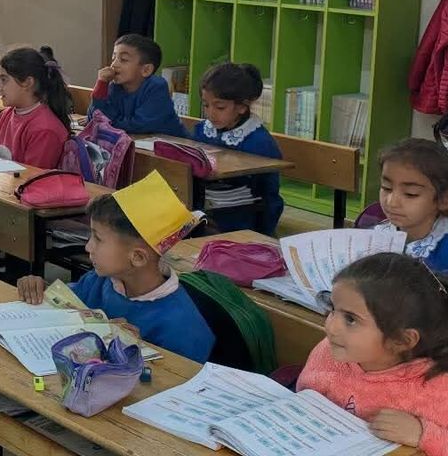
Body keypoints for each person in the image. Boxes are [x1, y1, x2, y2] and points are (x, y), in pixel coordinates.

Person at [16, 172, 214, 363]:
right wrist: (43, 290)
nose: (88, 247)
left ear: (137, 257)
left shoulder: (182, 327)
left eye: (98, 238)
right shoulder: (99, 281)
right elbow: (67, 308)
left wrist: (137, 354)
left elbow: (177, 380)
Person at [298, 253, 448, 454]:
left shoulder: (438, 388)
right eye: (333, 309)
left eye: (351, 319)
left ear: (401, 341)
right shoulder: (329, 350)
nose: (331, 327)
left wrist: (423, 434)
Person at [191, 62, 283, 234]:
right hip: (200, 214)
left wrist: (262, 235)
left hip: (239, 223)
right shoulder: (202, 130)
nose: (210, 113)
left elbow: (270, 196)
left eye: (220, 107)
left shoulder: (259, 142)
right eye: (206, 105)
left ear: (242, 106)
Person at [0, 45, 72, 167]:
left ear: (28, 82)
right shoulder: (5, 115)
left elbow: (33, 176)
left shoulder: (46, 130)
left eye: (4, 80)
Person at [372, 139, 448, 271]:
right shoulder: (374, 235)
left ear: (444, 200)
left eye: (410, 194)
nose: (391, 202)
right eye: (386, 188)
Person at [89, 34, 186, 137]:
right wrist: (101, 83)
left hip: (172, 144)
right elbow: (95, 117)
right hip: (136, 142)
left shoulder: (157, 87)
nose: (114, 65)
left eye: (123, 60)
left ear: (146, 70)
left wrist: (106, 123)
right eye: (113, 58)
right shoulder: (115, 86)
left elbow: (139, 126)